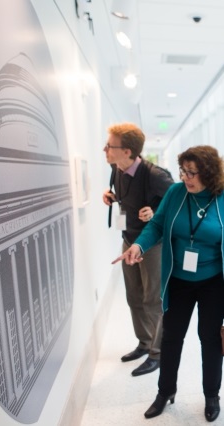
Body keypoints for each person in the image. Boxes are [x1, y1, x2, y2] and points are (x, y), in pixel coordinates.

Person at [112, 145, 224, 422]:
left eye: (192, 173)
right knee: (171, 338)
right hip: (178, 280)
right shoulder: (176, 193)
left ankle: (212, 395)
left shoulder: (221, 197)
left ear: (208, 174)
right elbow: (157, 226)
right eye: (183, 171)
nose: (186, 178)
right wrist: (139, 245)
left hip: (213, 281)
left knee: (210, 340)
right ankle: (165, 392)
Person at [103, 122, 174, 376]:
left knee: (152, 299)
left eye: (109, 146)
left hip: (152, 245)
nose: (105, 149)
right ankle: (144, 343)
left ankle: (158, 352)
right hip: (128, 241)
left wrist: (155, 212)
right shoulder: (116, 168)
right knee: (133, 296)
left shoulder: (156, 176)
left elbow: (177, 204)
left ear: (128, 151)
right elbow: (123, 197)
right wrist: (111, 196)